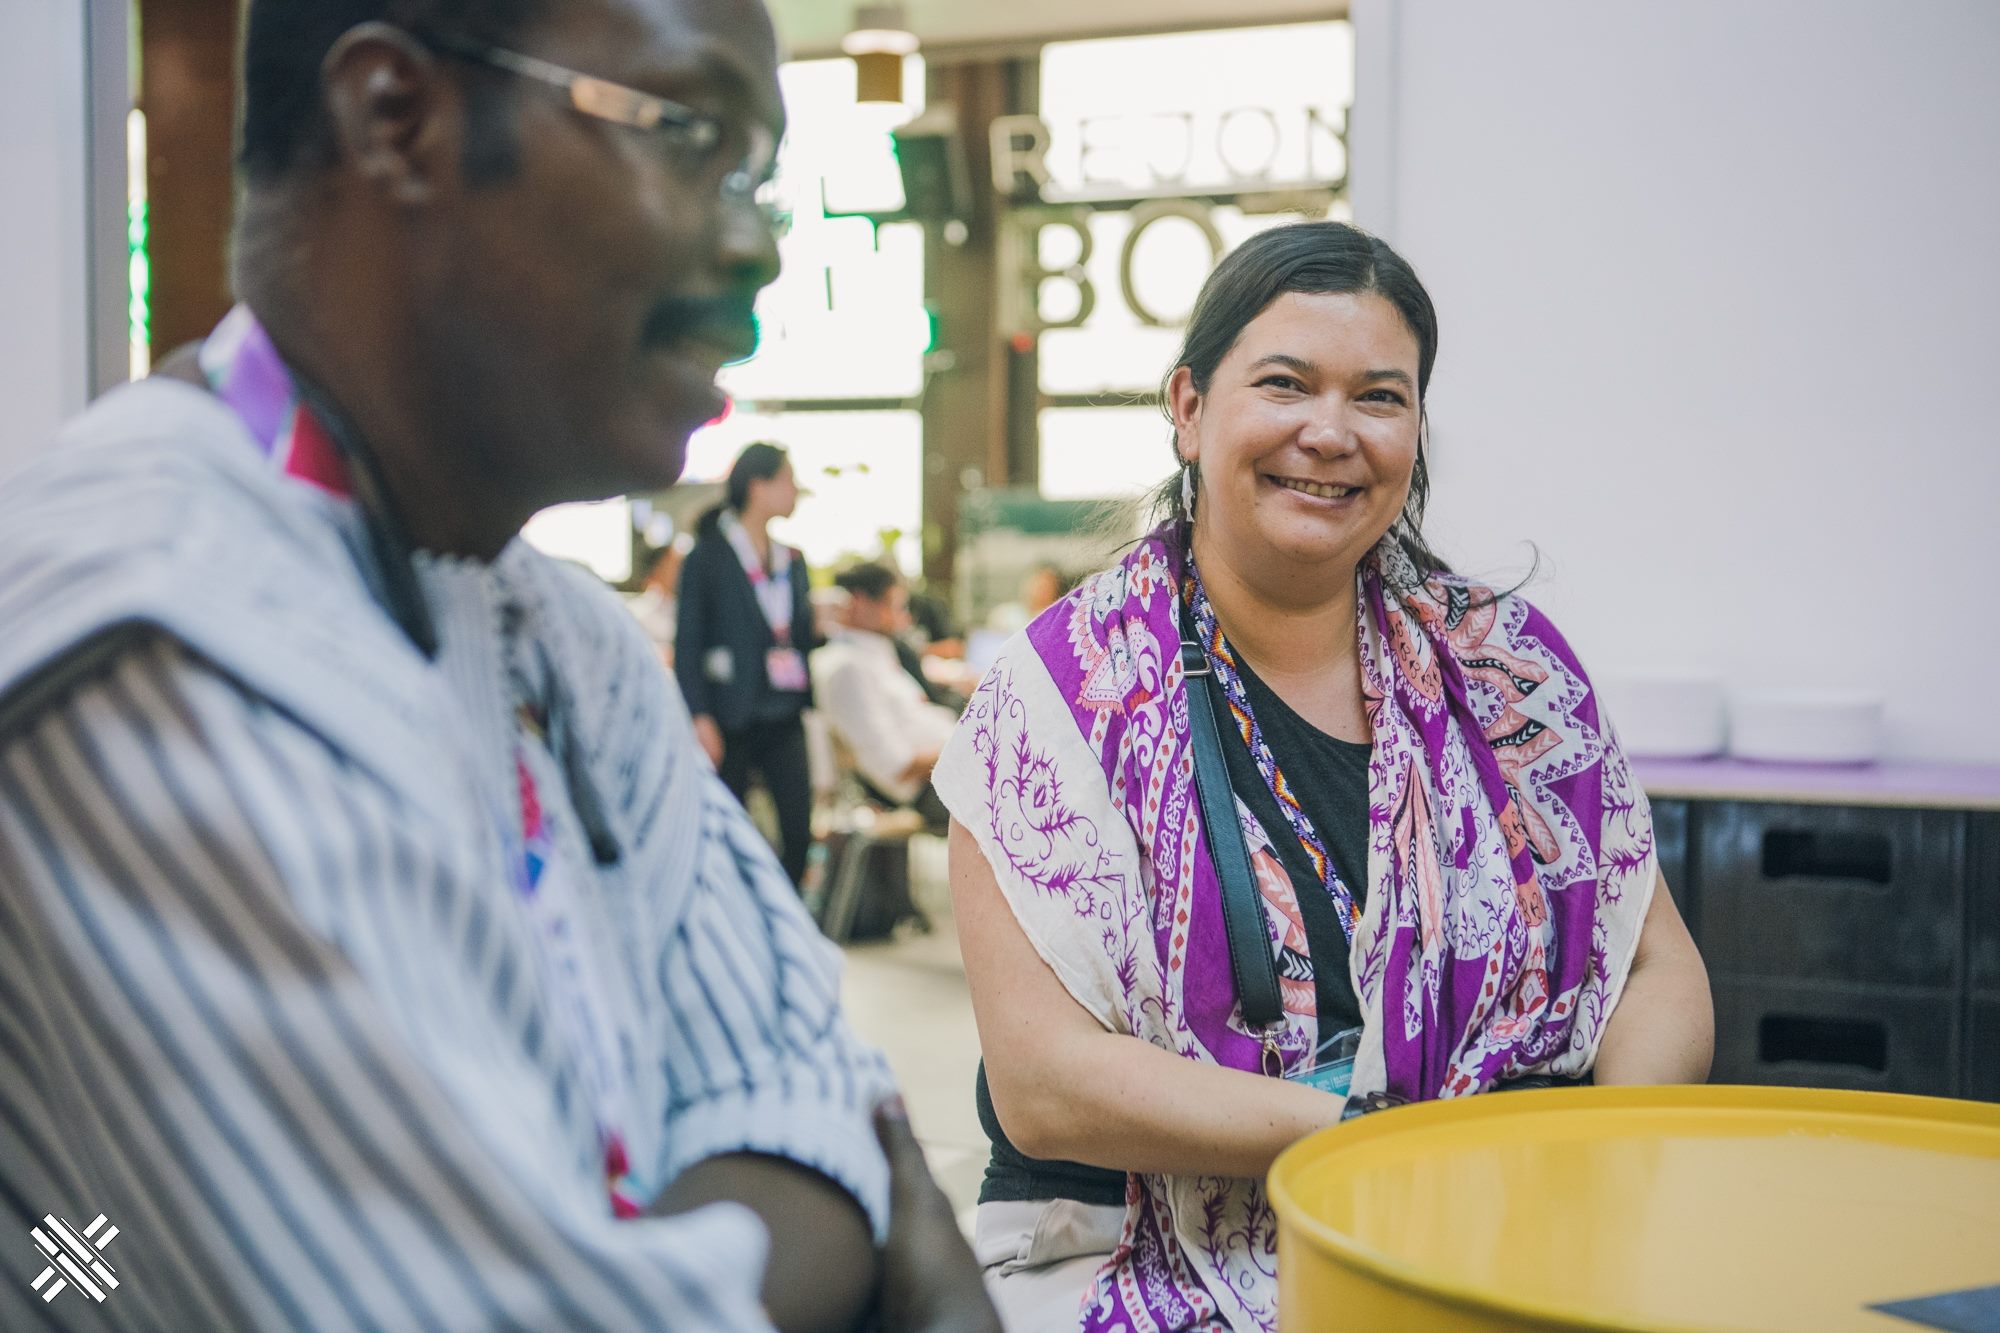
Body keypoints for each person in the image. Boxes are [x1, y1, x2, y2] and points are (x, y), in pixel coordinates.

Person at [0, 2, 997, 1330]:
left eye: (760, 172)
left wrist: (689, 1227)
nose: (757, 242)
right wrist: (869, 1242)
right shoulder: (155, 654)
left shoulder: (548, 621)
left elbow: (810, 1057)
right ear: (396, 120)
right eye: (692, 135)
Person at [932, 221, 1714, 1332]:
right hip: (1133, 1243)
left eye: (1378, 397)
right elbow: (1045, 1083)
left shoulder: (1509, 673)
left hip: (1495, 1219)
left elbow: (1653, 970)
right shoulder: (1060, 698)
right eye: (1284, 383)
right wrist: (1373, 1138)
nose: (1329, 432)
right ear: (1189, 407)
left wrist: (1588, 1172)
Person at [674, 441, 819, 886]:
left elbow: (797, 634)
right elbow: (689, 642)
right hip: (729, 714)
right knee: (727, 830)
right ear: (758, 486)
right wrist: (699, 716)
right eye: (787, 481)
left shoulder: (791, 559)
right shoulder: (707, 557)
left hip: (783, 710)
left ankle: (788, 923)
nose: (794, 492)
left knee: (798, 830)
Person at [813, 562, 957, 828]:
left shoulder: (876, 653)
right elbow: (895, 765)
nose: (906, 618)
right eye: (896, 606)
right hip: (931, 789)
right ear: (859, 602)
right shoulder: (847, 668)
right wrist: (968, 748)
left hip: (951, 770)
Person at [627, 538, 686, 664]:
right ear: (656, 571)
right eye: (673, 566)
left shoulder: (691, 610)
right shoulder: (638, 613)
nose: (680, 572)